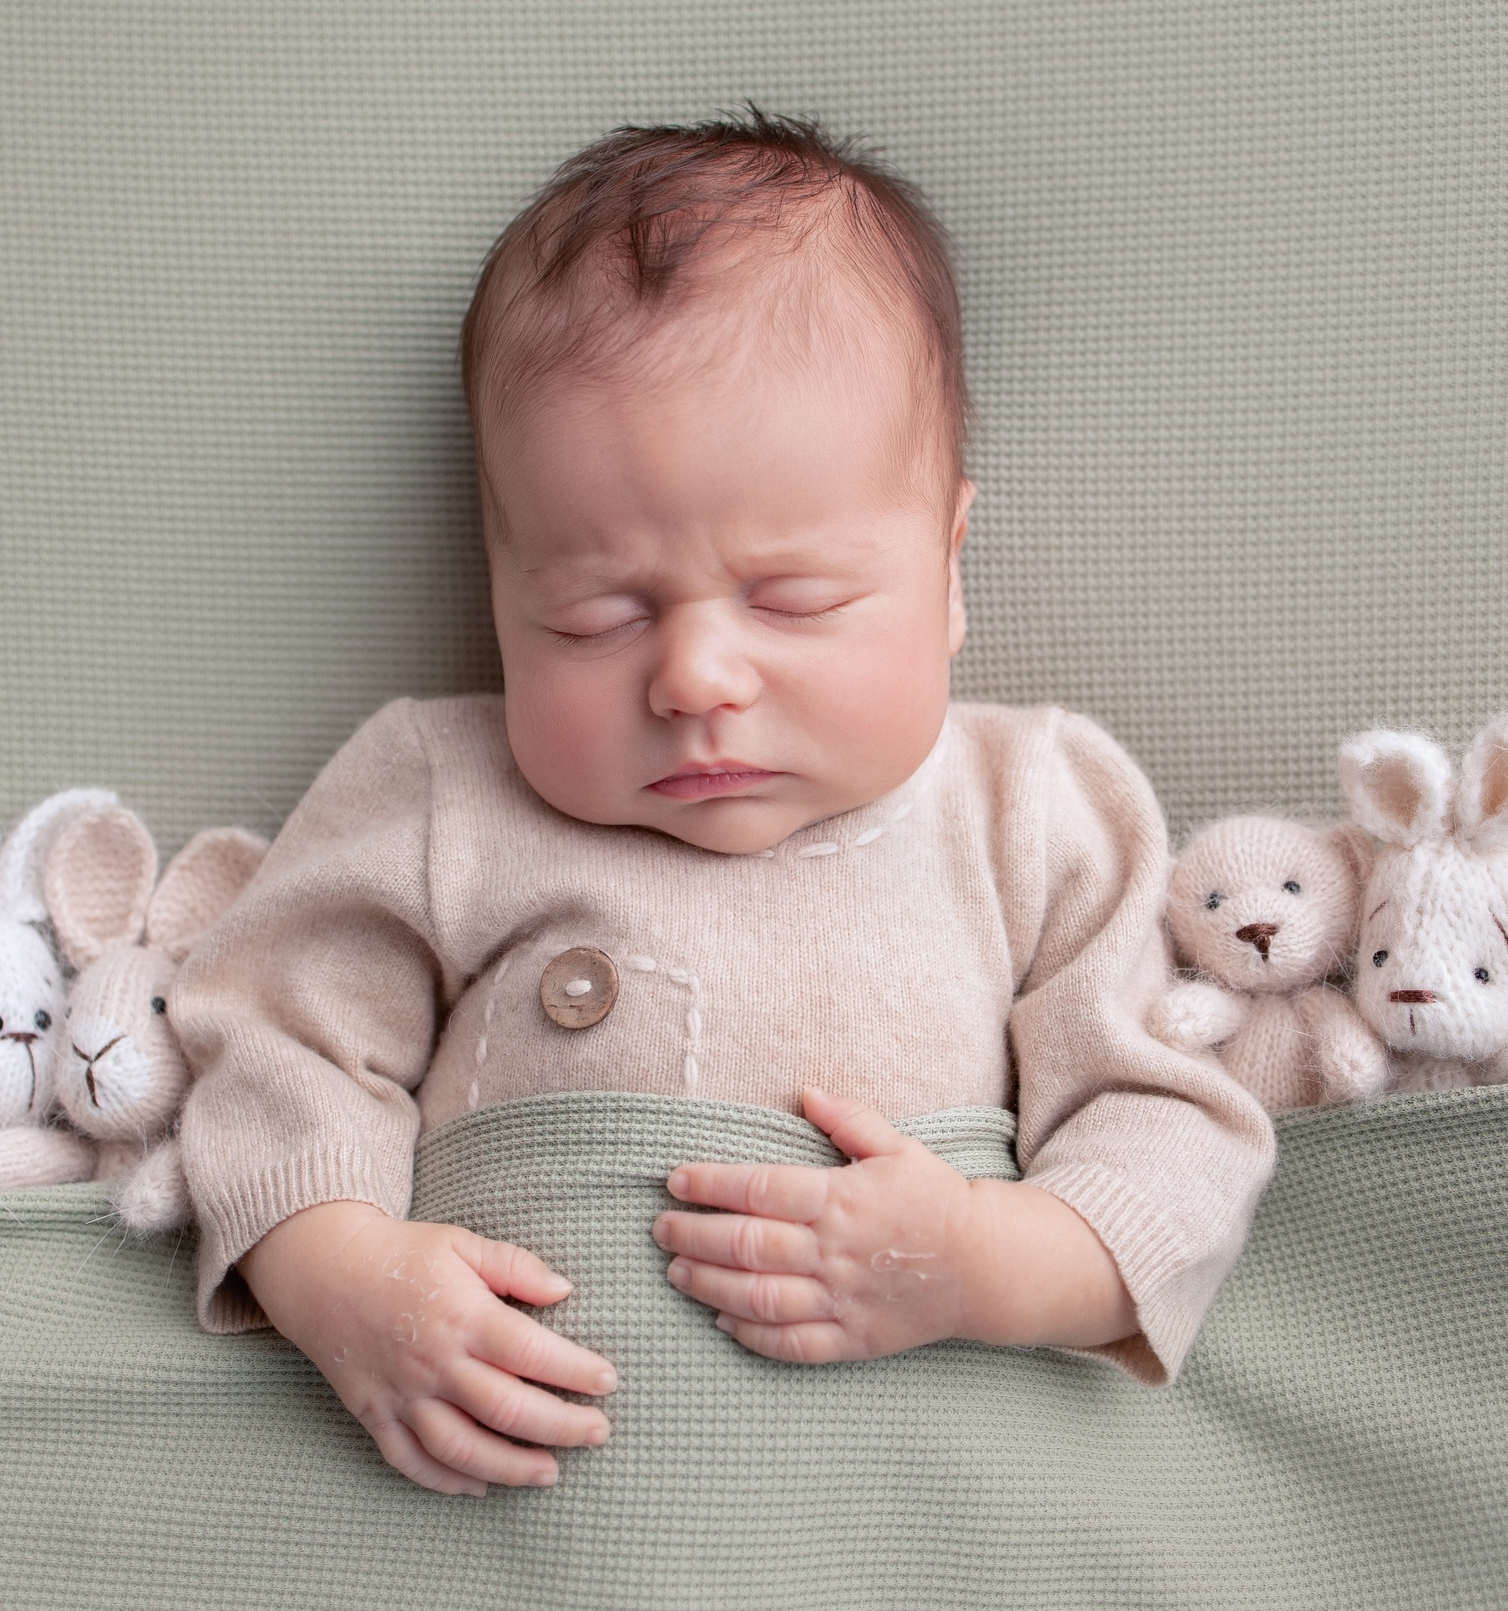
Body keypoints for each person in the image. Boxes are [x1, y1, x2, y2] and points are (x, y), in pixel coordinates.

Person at [168, 112, 1275, 1497]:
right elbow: (275, 1035)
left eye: (794, 598)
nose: (694, 677)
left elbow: (1169, 1128)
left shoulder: (1031, 807)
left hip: (917, 1502)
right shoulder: (443, 789)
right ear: (500, 590)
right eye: (592, 613)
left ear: (948, 567)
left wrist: (991, 1267)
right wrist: (338, 1273)